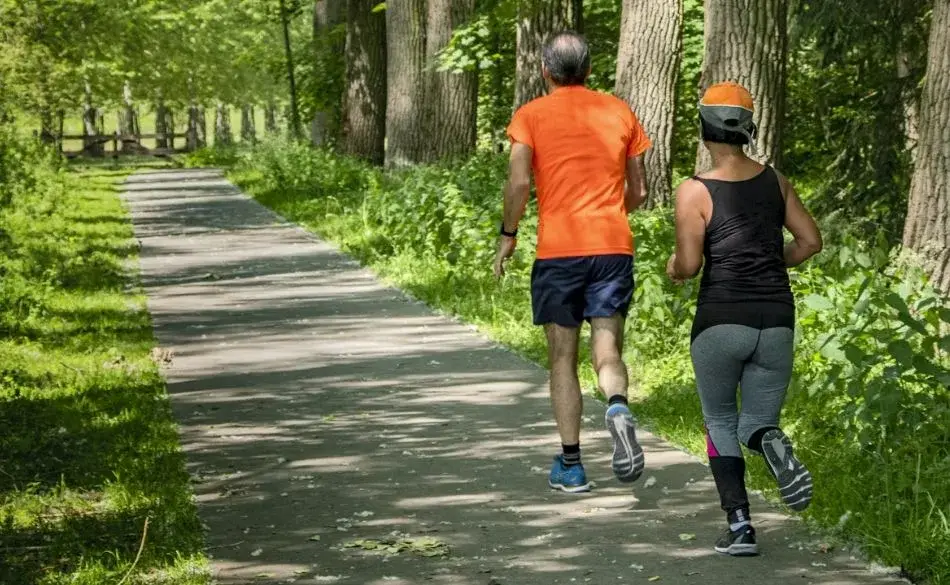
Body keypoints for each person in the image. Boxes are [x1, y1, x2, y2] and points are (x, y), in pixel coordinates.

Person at [666, 82, 823, 555]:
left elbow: (690, 265)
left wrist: (673, 268)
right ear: (747, 129)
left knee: (718, 420)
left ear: (704, 128)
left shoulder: (694, 190)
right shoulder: (775, 180)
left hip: (721, 319)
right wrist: (772, 262)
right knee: (754, 422)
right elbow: (810, 242)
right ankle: (770, 439)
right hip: (775, 320)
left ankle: (740, 527)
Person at [493, 31, 651, 493]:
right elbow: (638, 191)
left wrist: (508, 234)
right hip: (611, 248)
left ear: (545, 71)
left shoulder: (530, 116)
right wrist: (610, 215)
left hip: (559, 252)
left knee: (562, 358)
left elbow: (519, 184)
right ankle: (618, 405)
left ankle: (572, 465)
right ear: (588, 70)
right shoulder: (618, 110)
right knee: (607, 348)